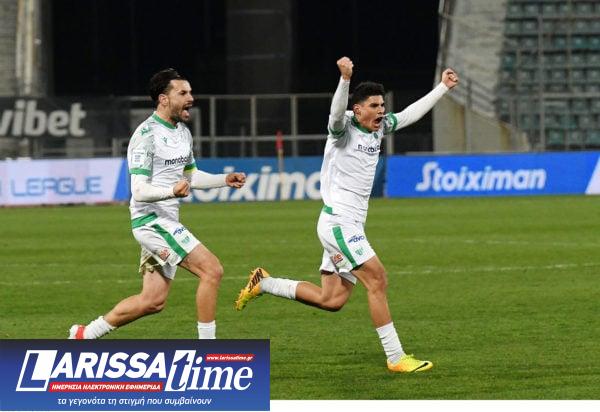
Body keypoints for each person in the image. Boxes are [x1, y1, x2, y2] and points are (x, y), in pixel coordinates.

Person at [235, 57, 458, 372]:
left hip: (347, 224)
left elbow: (410, 114)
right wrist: (344, 79)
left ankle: (265, 283)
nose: (381, 111)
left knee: (332, 300)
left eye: (382, 105)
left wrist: (442, 88)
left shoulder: (378, 128)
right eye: (374, 106)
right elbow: (336, 114)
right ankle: (396, 357)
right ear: (358, 109)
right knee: (377, 279)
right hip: (339, 223)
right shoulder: (343, 130)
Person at [69, 68, 246, 339]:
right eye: (183, 93)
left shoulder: (182, 132)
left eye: (190, 92)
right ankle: (208, 350)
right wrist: (171, 191)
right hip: (151, 222)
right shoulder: (146, 136)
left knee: (152, 301)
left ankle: (85, 334)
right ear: (164, 99)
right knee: (212, 270)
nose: (191, 98)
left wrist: (224, 179)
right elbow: (138, 190)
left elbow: (191, 176)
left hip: (165, 221)